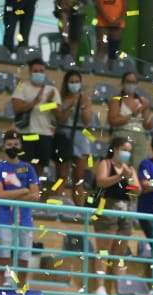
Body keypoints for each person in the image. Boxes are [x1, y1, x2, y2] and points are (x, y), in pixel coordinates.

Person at [0, 130, 39, 288]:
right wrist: (23, 191)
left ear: (21, 147)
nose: (13, 147)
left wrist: (11, 195)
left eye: (16, 145)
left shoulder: (28, 168)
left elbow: (35, 196)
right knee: (2, 259)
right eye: (9, 144)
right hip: (4, 219)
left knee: (23, 260)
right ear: (3, 147)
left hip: (24, 220)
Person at [92, 135, 138, 295]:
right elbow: (101, 182)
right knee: (104, 248)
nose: (127, 154)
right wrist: (119, 177)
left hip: (125, 209)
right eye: (124, 150)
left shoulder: (130, 169)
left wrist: (129, 182)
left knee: (120, 251)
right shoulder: (105, 164)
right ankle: (100, 286)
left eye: (129, 151)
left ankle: (120, 288)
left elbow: (137, 189)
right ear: (115, 150)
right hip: (106, 207)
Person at [9, 57, 58, 180]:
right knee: (24, 164)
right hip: (27, 132)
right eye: (36, 71)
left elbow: (58, 112)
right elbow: (17, 108)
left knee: (39, 166)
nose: (39, 73)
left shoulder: (52, 90)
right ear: (30, 72)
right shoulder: (22, 87)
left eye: (41, 71)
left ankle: (34, 188)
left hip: (44, 133)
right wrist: (34, 102)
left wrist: (50, 101)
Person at [54, 69, 93, 206]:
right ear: (66, 83)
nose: (74, 84)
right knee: (62, 175)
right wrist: (70, 103)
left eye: (77, 82)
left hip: (80, 137)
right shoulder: (59, 97)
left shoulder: (85, 99)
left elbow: (87, 120)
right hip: (64, 135)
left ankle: (79, 209)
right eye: (72, 82)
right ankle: (56, 204)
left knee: (78, 177)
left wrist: (82, 105)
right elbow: (59, 118)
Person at [108, 71, 151, 168]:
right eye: (128, 82)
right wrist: (132, 115)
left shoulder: (142, 101)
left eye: (134, 82)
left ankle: (134, 183)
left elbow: (148, 126)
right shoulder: (116, 100)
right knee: (120, 165)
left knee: (138, 167)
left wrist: (146, 113)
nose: (131, 85)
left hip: (140, 136)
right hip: (121, 134)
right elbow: (112, 120)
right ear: (123, 83)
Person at [94, 0, 126, 70]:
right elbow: (97, 3)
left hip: (117, 23)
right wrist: (106, 17)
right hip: (102, 22)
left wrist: (120, 18)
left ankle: (111, 71)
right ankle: (97, 70)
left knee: (114, 49)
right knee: (102, 47)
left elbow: (125, 4)